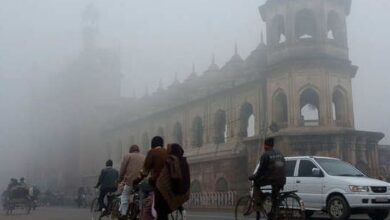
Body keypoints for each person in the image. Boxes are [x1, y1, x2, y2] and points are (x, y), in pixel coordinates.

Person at [248, 137, 286, 220]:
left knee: (256, 183)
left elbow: (260, 171)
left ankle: (259, 203)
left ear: (265, 145)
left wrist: (252, 177)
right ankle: (273, 212)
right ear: (272, 145)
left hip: (272, 179)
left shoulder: (265, 155)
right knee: (275, 196)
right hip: (282, 179)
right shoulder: (280, 154)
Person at [133, 136, 168, 220]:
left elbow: (145, 172)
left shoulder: (152, 152)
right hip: (168, 183)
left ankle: (141, 211)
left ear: (152, 144)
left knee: (142, 188)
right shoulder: (167, 152)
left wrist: (136, 181)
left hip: (156, 183)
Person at [155, 143, 191, 220]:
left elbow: (162, 181)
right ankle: (181, 209)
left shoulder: (169, 161)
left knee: (159, 207)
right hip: (183, 195)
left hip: (168, 196)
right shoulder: (184, 162)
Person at [118, 145, 145, 218]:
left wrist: (119, 180)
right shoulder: (144, 157)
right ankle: (140, 212)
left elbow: (122, 169)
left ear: (130, 150)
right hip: (141, 182)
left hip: (130, 181)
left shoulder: (127, 156)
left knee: (125, 195)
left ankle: (123, 214)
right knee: (141, 197)